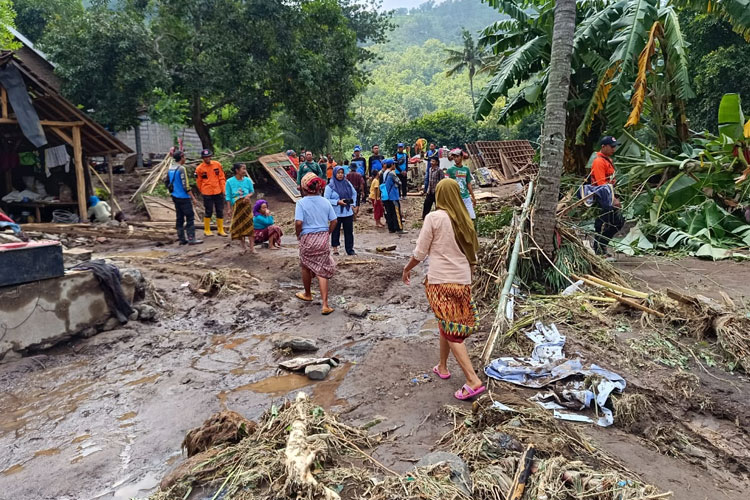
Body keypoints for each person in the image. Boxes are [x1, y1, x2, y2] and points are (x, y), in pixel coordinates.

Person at [401, 178, 484, 401]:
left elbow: (420, 252)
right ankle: (443, 366)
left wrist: (407, 269)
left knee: (452, 332)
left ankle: (472, 380)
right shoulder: (466, 219)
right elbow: (472, 254)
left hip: (440, 282)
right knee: (445, 322)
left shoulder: (434, 217)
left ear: (439, 195)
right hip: (462, 280)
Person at [295, 173, 338, 315]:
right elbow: (334, 221)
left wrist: (298, 234)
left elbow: (299, 222)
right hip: (322, 238)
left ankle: (307, 294)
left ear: (304, 188)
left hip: (307, 237)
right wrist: (328, 233)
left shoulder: (301, 203)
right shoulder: (325, 201)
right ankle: (325, 304)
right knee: (322, 270)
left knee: (305, 266)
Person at [588, 136, 624, 255]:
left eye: (614, 147)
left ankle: (601, 245)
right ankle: (598, 248)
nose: (614, 149)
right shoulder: (599, 161)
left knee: (617, 222)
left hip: (609, 194)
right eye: (611, 147)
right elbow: (601, 184)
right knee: (602, 223)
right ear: (604, 147)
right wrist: (613, 199)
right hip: (602, 197)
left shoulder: (608, 160)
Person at [167, 151, 202, 245]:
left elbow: (167, 181)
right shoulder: (181, 169)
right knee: (190, 217)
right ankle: (191, 238)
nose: (185, 158)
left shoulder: (170, 168)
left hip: (175, 196)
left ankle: (181, 238)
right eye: (184, 156)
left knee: (179, 217)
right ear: (181, 157)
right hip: (183, 197)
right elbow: (185, 186)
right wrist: (193, 197)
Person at [325, 166, 358, 256]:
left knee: (349, 231)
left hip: (347, 212)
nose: (340, 175)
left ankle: (349, 249)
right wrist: (337, 202)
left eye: (341, 173)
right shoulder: (330, 186)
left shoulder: (347, 183)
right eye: (338, 173)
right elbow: (326, 199)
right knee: (335, 231)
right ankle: (335, 248)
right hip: (336, 212)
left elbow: (354, 193)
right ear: (335, 173)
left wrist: (353, 204)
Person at [195, 148, 228, 237]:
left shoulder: (217, 165)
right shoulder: (199, 168)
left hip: (218, 191)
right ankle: (207, 229)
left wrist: (223, 189)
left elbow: (221, 177)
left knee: (220, 210)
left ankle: (220, 229)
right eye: (205, 157)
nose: (207, 158)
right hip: (207, 192)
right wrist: (202, 190)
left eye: (209, 156)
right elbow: (198, 181)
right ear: (203, 158)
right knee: (208, 210)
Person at [225, 163, 255, 254]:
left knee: (250, 225)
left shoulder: (247, 180)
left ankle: (252, 247)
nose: (244, 171)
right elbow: (228, 196)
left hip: (246, 206)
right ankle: (243, 247)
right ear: (237, 170)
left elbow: (252, 191)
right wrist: (229, 209)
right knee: (239, 226)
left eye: (245, 169)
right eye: (243, 169)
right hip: (236, 206)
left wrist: (248, 196)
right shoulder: (229, 182)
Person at [446, 148, 477, 220]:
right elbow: (447, 184)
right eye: (454, 157)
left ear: (462, 157)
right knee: (459, 219)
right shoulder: (450, 170)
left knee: (472, 217)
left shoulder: (466, 169)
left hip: (466, 197)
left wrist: (473, 197)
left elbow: (468, 183)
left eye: (457, 156)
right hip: (456, 197)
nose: (456, 159)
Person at [382, 158, 405, 234]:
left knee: (389, 212)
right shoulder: (392, 173)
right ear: (392, 165)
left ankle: (391, 228)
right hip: (393, 196)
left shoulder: (384, 173)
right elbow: (400, 182)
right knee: (396, 212)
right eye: (394, 164)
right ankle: (399, 228)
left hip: (386, 196)